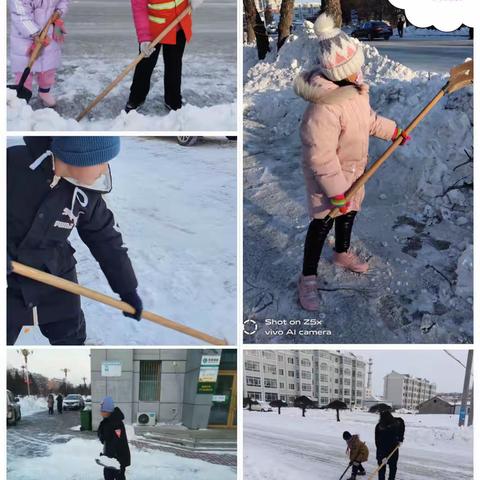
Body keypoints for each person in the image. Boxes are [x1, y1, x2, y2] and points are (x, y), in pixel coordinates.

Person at [293, 13, 410, 311]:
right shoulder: (324, 109)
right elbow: (320, 156)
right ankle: (307, 277)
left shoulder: (356, 90)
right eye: (355, 66)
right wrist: (335, 191)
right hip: (328, 178)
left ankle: (342, 252)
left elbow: (367, 121)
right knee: (322, 224)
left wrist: (393, 130)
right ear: (340, 72)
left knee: (349, 213)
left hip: (355, 169)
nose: (361, 70)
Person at [7, 137, 143, 345]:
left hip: (56, 278)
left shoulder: (87, 195)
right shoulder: (14, 165)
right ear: (79, 157)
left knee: (70, 337)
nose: (104, 169)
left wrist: (127, 289)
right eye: (100, 161)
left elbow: (107, 240)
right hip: (8, 282)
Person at [125, 0, 194, 113]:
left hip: (179, 24)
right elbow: (139, 8)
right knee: (145, 65)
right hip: (153, 30)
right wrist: (144, 38)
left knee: (174, 64)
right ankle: (136, 99)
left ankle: (173, 100)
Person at [9, 0, 69, 107]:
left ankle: (44, 92)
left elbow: (64, 1)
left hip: (49, 31)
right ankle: (23, 95)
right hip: (25, 36)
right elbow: (20, 14)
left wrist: (59, 11)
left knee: (48, 68)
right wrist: (34, 33)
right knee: (25, 69)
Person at [97, 396, 131, 480]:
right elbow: (104, 437)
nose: (101, 412)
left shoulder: (116, 423)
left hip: (118, 457)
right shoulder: (107, 421)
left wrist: (111, 457)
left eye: (102, 410)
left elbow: (117, 440)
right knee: (108, 475)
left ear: (108, 411)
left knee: (119, 476)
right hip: (110, 456)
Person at [375, 411, 405, 480]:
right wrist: (382, 457)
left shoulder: (396, 423)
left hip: (393, 450)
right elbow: (378, 442)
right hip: (382, 451)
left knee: (393, 467)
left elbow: (401, 422)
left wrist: (400, 439)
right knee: (382, 468)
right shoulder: (379, 427)